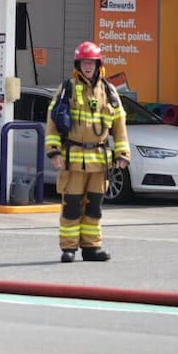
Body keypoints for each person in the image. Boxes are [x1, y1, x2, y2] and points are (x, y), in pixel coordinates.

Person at [44, 41, 131, 263]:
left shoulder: (109, 91)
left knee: (94, 207)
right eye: (84, 62)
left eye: (91, 62)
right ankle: (69, 248)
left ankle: (92, 248)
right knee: (71, 206)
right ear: (78, 65)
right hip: (73, 160)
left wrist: (123, 153)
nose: (88, 66)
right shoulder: (67, 89)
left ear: (98, 64)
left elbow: (119, 124)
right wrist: (54, 152)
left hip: (99, 162)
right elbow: (52, 122)